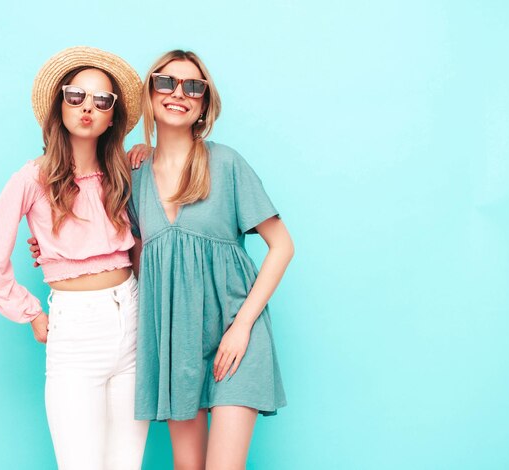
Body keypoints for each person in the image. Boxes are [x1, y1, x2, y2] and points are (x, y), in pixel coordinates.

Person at [0, 46, 149, 470]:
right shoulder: (32, 177)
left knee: (126, 463)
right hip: (77, 329)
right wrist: (30, 312)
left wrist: (148, 153)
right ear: (59, 106)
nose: (87, 107)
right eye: (76, 96)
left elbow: (149, 236)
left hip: (132, 316)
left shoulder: (125, 174)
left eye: (101, 100)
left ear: (112, 116)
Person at [131, 50, 294, 470]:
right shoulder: (133, 175)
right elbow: (125, 254)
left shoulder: (226, 163)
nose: (178, 93)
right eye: (166, 83)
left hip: (236, 337)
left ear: (204, 103)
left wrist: (242, 328)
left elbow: (283, 245)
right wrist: (52, 252)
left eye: (193, 87)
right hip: (175, 341)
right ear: (149, 95)